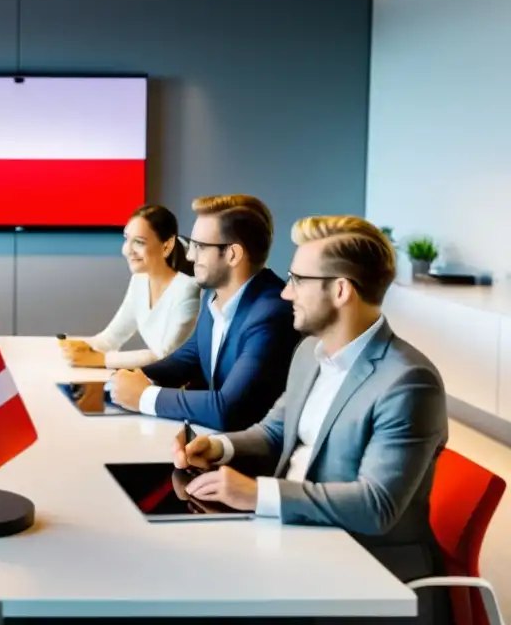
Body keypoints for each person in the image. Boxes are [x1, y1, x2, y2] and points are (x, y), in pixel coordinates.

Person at [175, 216, 450, 625]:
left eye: (298, 280)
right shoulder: (310, 353)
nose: (285, 293)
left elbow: (375, 506)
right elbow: (276, 430)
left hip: (362, 571)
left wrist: (257, 494)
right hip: (294, 538)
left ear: (340, 290)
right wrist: (219, 446)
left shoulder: (408, 382)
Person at [109, 194, 300, 431]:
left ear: (232, 254)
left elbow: (228, 409)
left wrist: (143, 397)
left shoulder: (271, 314)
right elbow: (185, 360)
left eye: (199, 246)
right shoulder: (214, 295)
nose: (189, 255)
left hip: (249, 459)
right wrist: (122, 382)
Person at [60, 205, 200, 370]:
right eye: (127, 239)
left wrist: (102, 360)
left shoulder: (187, 290)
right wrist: (77, 347)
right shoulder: (139, 281)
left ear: (167, 246)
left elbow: (164, 357)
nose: (127, 250)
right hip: (155, 382)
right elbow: (111, 339)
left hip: (182, 391)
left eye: (139, 242)